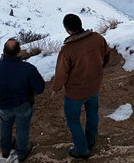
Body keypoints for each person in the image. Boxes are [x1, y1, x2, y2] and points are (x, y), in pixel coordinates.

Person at [52, 14, 111, 159]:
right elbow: (107, 54)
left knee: (73, 120)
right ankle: (90, 141)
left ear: (68, 30)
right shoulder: (97, 38)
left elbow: (61, 73)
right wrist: (100, 68)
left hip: (75, 92)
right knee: (92, 114)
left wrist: (56, 88)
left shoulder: (67, 50)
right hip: (94, 86)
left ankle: (82, 149)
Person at [0, 38, 45, 161]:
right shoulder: (28, 68)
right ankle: (22, 152)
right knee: (22, 127)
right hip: (23, 104)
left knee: (5, 124)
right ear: (19, 51)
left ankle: (5, 148)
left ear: (3, 51)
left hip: (3, 105)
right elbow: (40, 88)